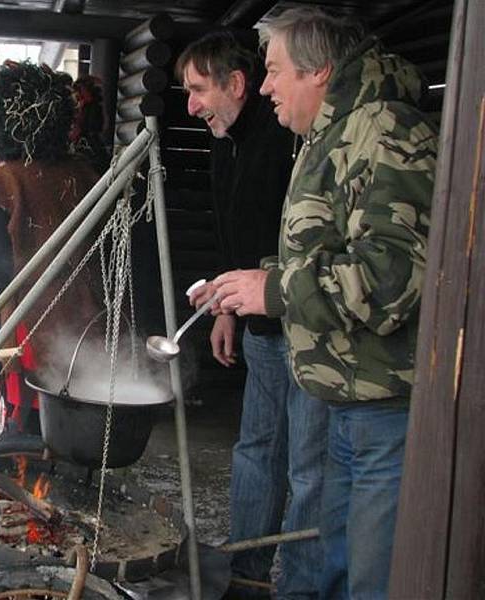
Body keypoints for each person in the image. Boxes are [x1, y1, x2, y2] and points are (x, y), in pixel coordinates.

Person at [193, 8, 438, 599]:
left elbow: (393, 279)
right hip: (345, 399)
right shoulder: (326, 136)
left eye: (275, 72)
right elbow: (327, 251)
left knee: (372, 579)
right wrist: (248, 283)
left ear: (319, 71)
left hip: (384, 407)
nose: (267, 86)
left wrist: (272, 291)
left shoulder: (386, 134)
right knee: (334, 566)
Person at [178, 30, 327, 598]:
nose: (190, 106)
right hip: (261, 329)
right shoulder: (225, 139)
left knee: (309, 466)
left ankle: (304, 587)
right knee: (257, 449)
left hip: (311, 330)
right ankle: (245, 572)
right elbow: (233, 232)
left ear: (235, 85)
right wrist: (226, 309)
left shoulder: (289, 138)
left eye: (197, 90)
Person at [0, 59, 103, 433]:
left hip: (31, 338)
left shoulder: (4, 183)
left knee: (28, 434)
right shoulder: (86, 173)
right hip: (87, 333)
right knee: (73, 432)